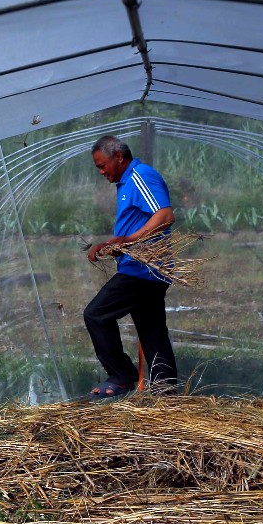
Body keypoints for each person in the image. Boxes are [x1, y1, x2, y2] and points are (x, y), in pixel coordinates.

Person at [82, 135, 179, 397]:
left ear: (119, 157)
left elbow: (165, 215)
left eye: (102, 166)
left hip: (143, 269)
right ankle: (165, 391)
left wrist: (128, 241)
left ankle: (122, 375)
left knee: (96, 314)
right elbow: (135, 225)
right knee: (152, 331)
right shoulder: (126, 182)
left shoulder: (140, 175)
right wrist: (112, 245)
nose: (102, 172)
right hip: (145, 269)